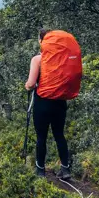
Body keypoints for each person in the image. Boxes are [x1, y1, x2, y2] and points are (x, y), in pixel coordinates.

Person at [25, 27, 82, 180]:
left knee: (41, 137)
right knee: (59, 135)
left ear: (41, 41)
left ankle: (40, 171)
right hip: (60, 102)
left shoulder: (37, 59)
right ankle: (65, 169)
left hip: (43, 102)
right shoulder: (62, 60)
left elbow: (31, 84)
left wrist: (27, 85)